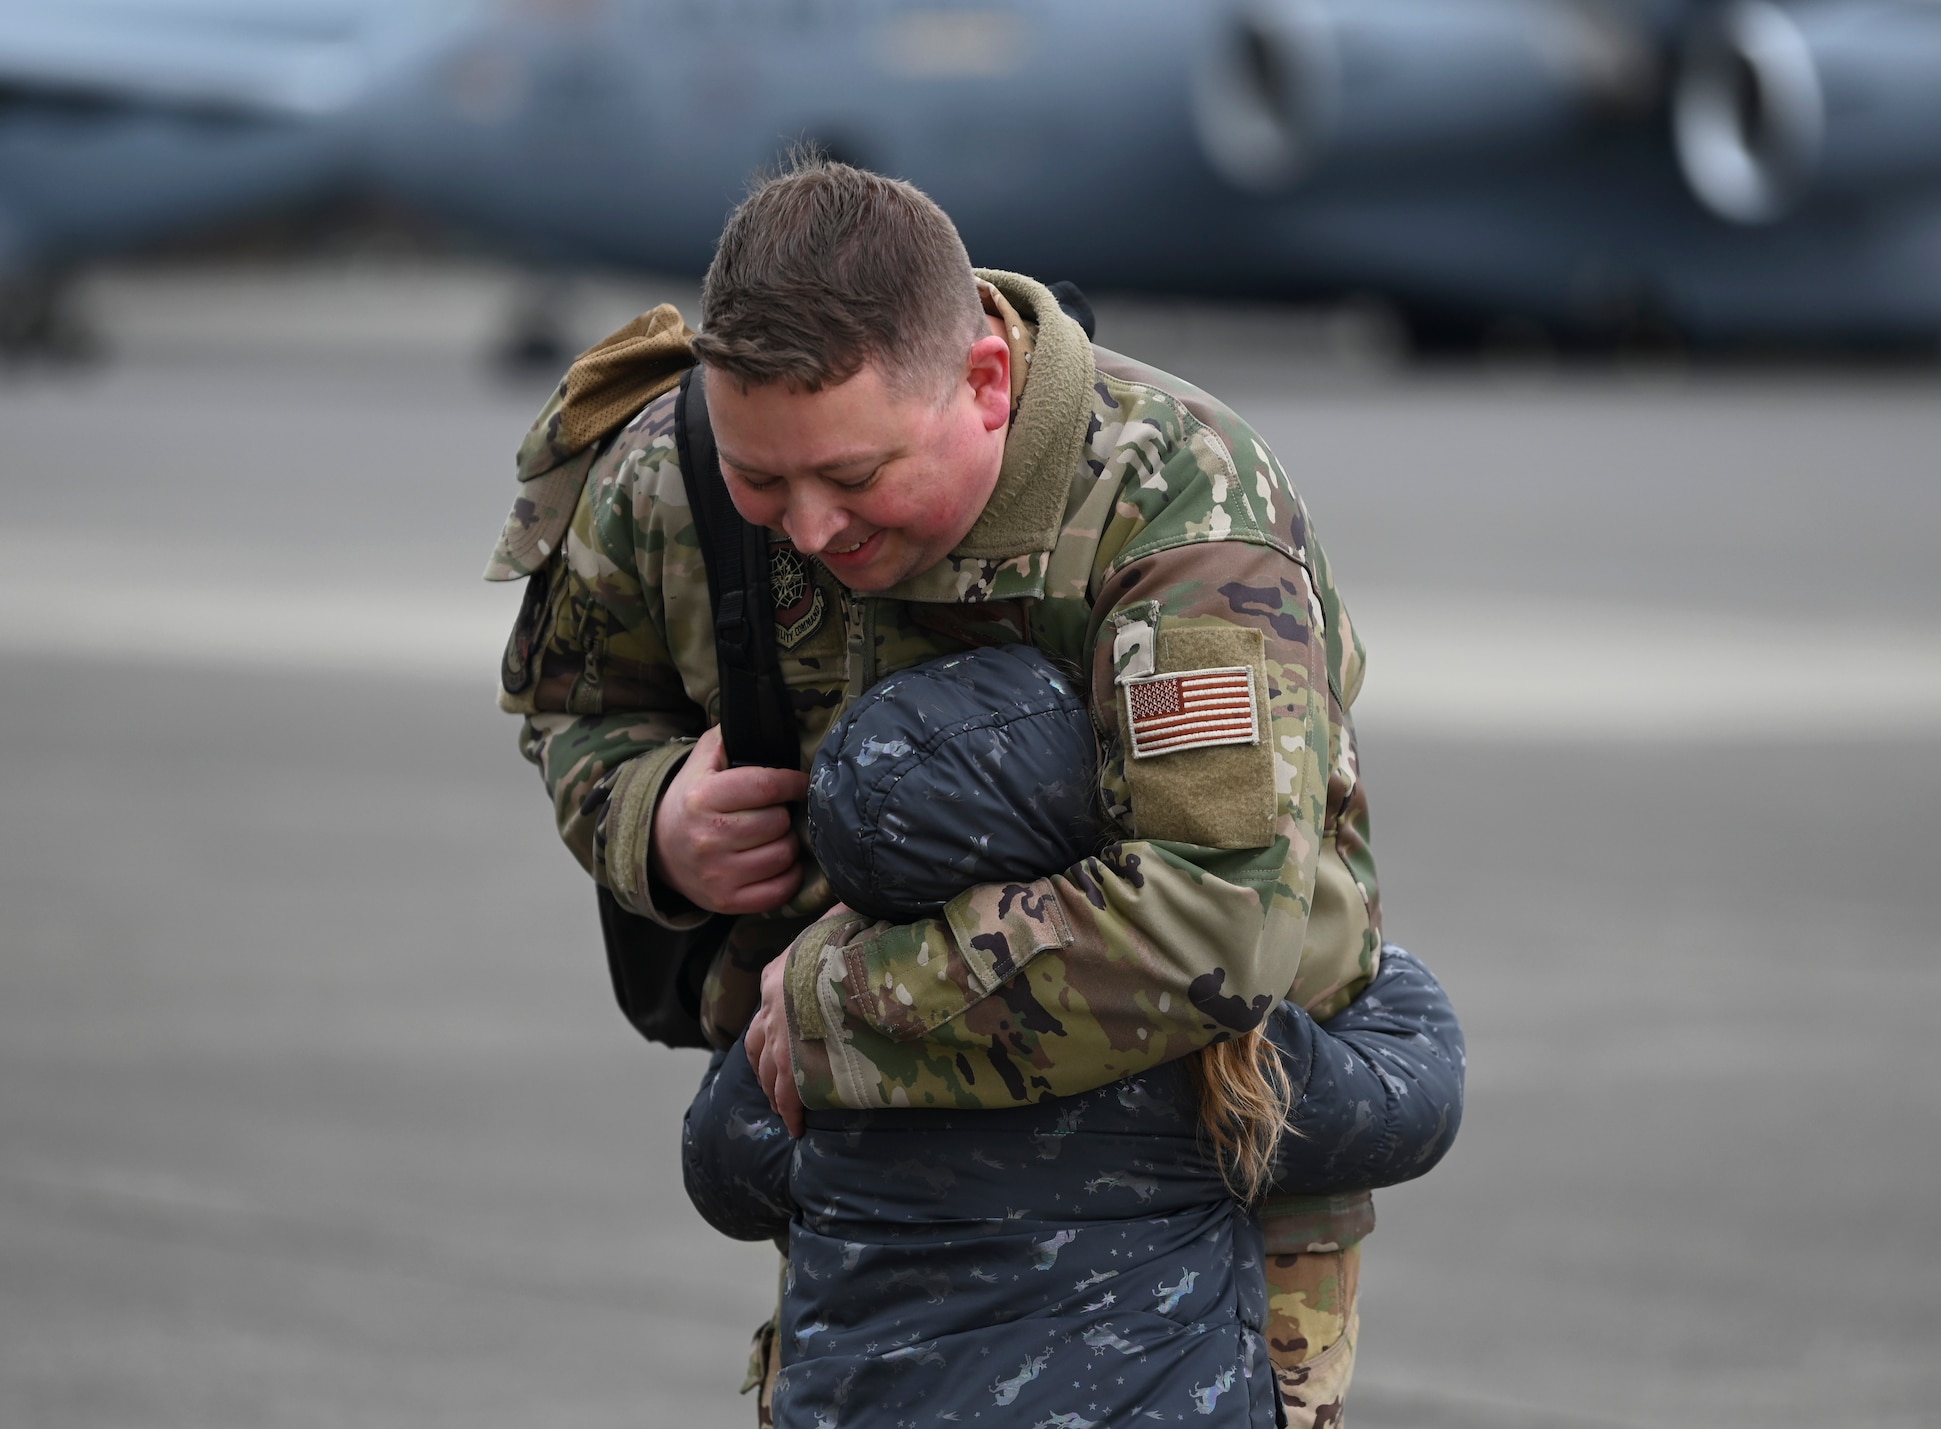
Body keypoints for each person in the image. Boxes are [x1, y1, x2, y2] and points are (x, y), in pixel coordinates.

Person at [489, 155, 1403, 1424]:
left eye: (855, 479)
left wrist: (831, 1006)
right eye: (765, 483)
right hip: (879, 1162)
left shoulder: (1176, 503)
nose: (806, 527)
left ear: (982, 382)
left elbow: (1215, 921)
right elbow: (575, 704)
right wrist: (652, 817)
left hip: (1189, 1139)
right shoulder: (672, 476)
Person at [681, 643, 1463, 1427]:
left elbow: (723, 1165)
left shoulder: (817, 1030)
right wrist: (1378, 970)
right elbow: (1404, 1108)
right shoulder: (1185, 1041)